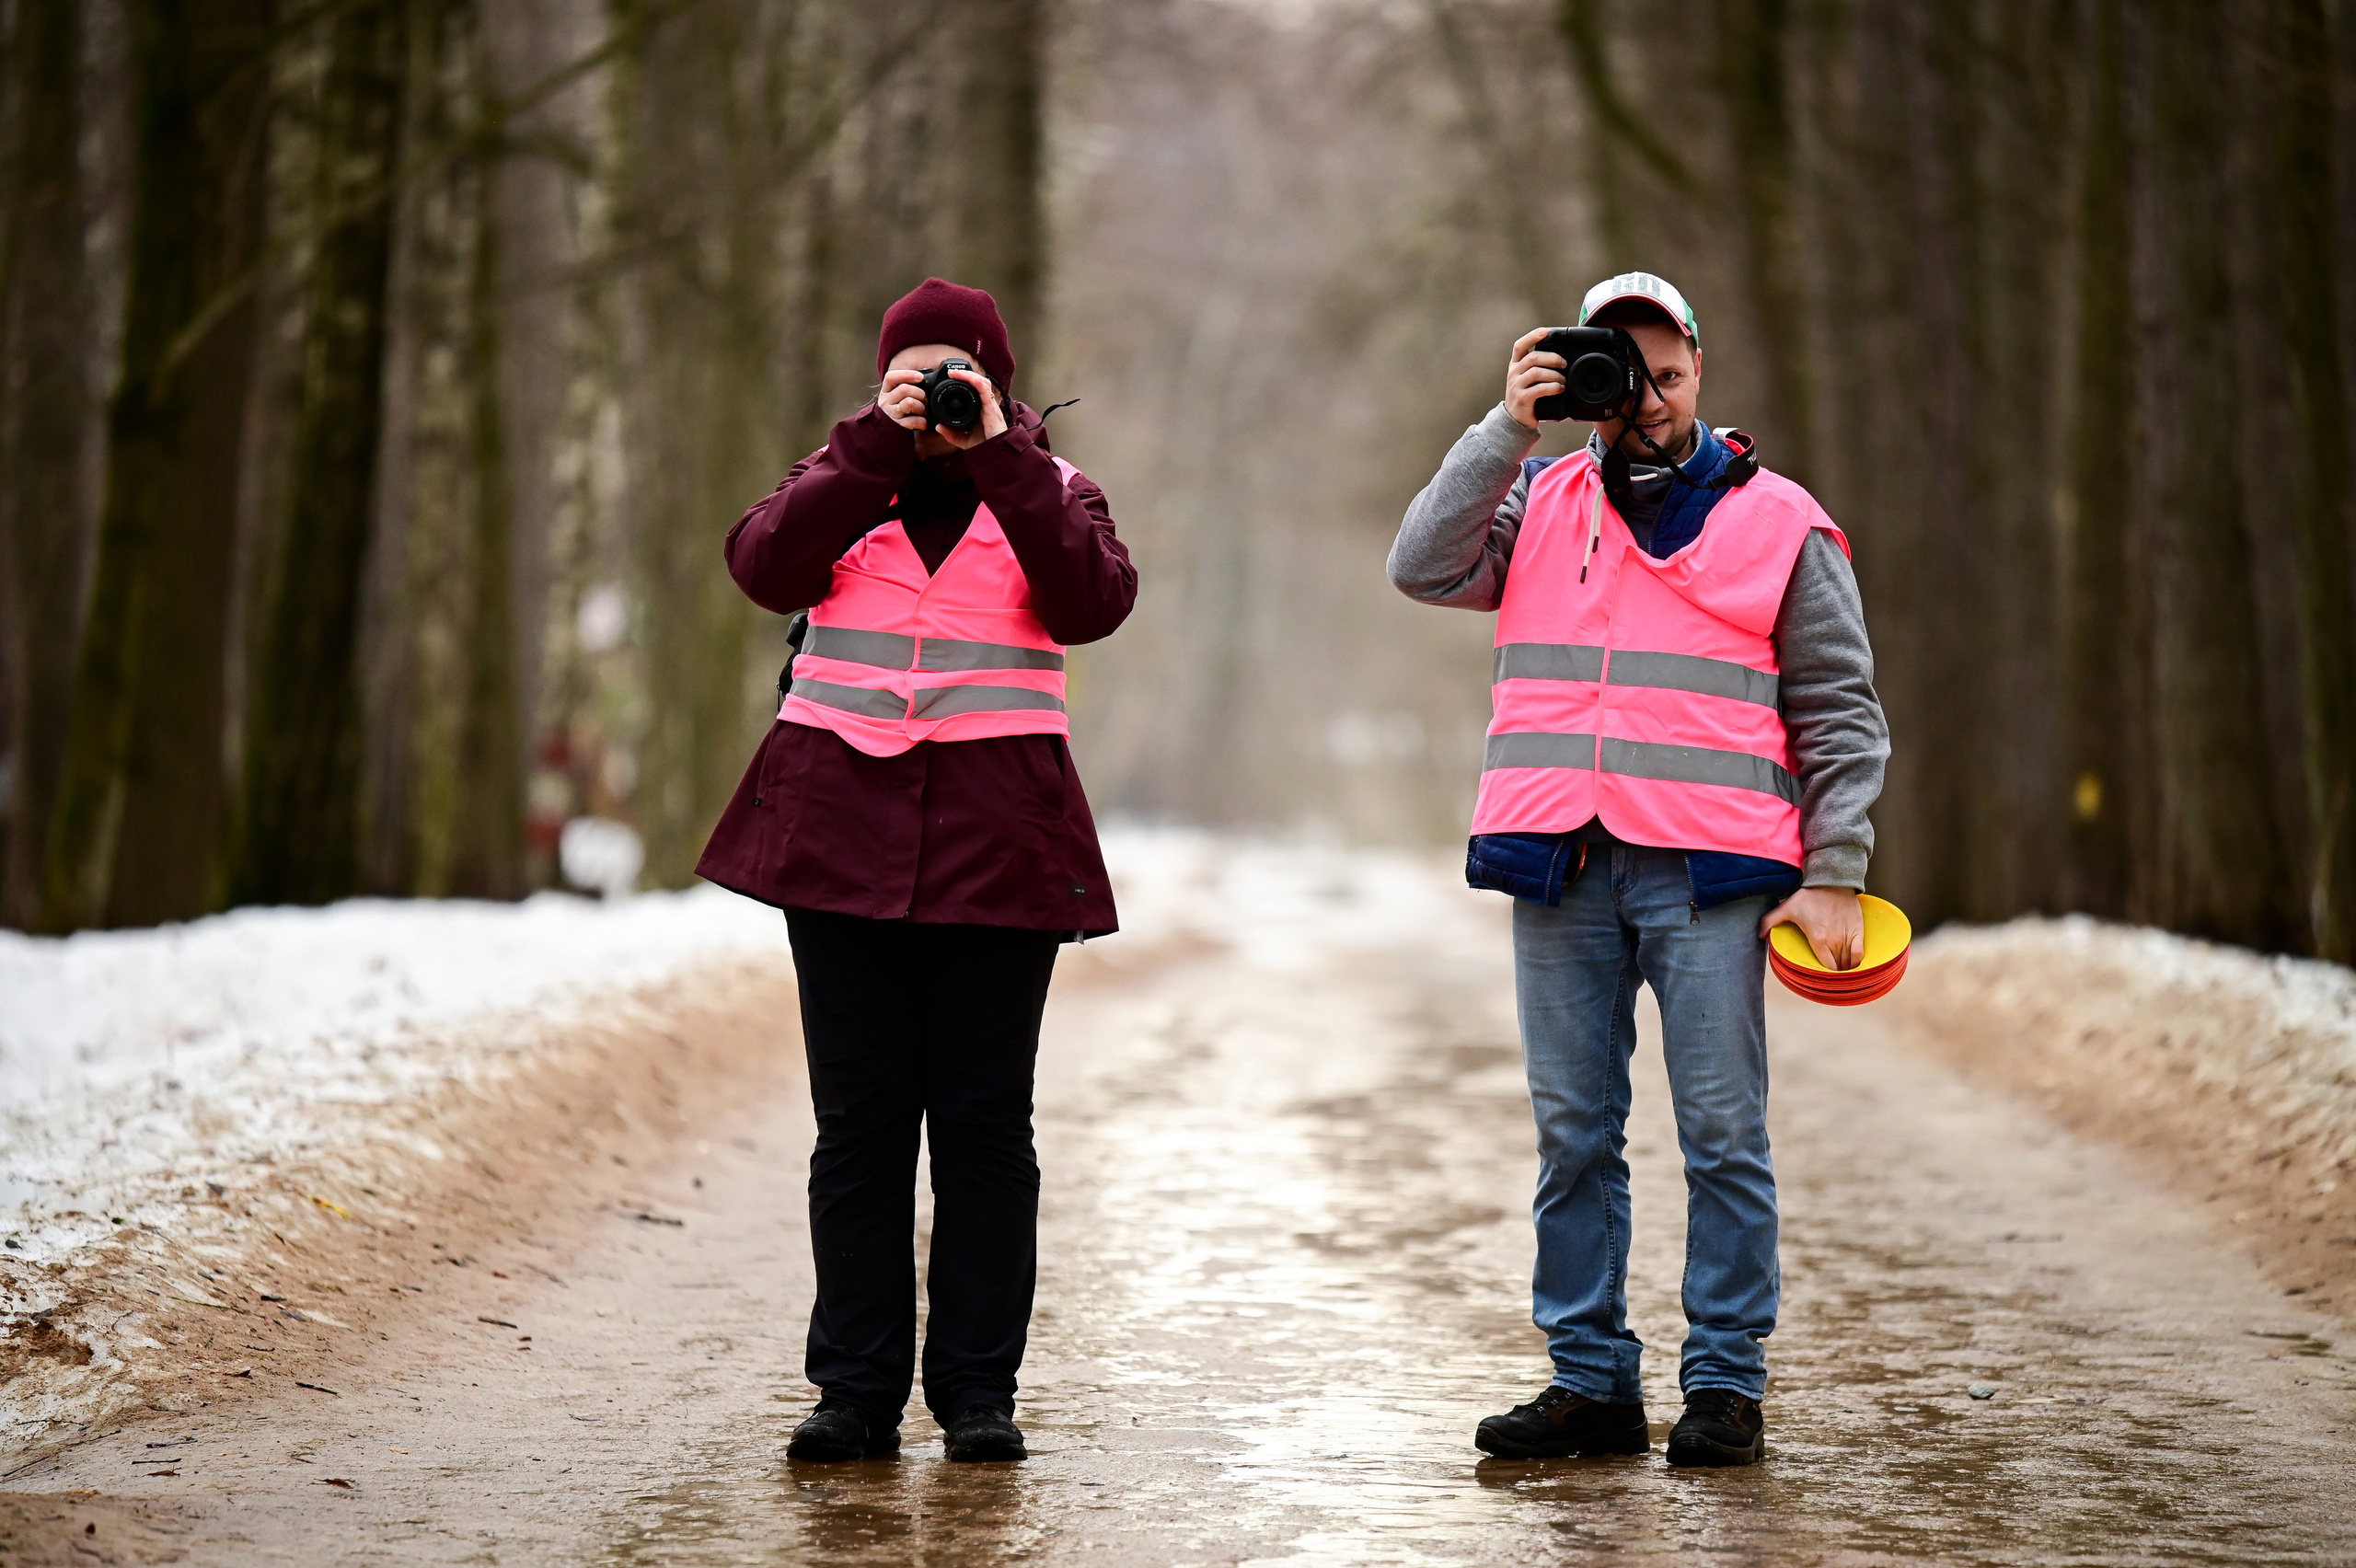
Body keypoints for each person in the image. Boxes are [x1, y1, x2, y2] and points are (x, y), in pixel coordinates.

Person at [1387, 271, 1888, 1468]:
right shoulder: (1542, 498)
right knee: (1573, 1134)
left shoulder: (1784, 523)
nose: (1647, 400)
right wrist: (1505, 426)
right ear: (1580, 384)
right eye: (1620, 379)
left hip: (1712, 873)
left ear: (1699, 371)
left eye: (1666, 374)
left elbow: (1841, 712)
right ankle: (1591, 1381)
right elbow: (1419, 562)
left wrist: (1837, 868)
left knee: (1722, 1133)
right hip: (1560, 858)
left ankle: (1724, 1386)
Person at [697, 277, 1136, 1465]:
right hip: (840, 849)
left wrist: (998, 454)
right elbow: (761, 564)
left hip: (999, 852)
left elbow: (1094, 598)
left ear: (998, 380)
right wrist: (869, 449)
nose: (937, 396)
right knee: (861, 1128)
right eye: (914, 374)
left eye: (958, 376)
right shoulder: (841, 483)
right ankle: (854, 1391)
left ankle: (978, 1394)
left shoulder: (1050, 490)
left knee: (987, 1126)